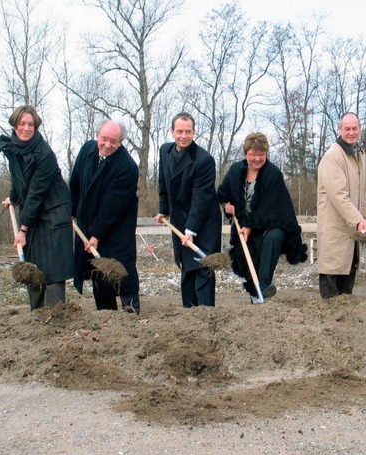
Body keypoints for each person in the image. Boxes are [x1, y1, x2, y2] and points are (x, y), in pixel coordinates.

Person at [0, 105, 74, 310]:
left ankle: (56, 314)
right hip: (34, 211)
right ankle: (37, 315)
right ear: (14, 125)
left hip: (54, 211)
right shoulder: (13, 147)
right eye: (22, 123)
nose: (26, 128)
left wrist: (23, 229)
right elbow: (18, 177)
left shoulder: (45, 154)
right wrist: (12, 198)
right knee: (34, 263)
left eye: (31, 124)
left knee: (53, 266)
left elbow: (35, 193)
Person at [217, 132, 307, 302]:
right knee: (249, 260)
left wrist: (251, 226)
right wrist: (226, 206)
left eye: (261, 154)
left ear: (266, 154)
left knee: (274, 238)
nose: (257, 159)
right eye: (253, 154)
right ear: (246, 154)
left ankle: (263, 286)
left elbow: (272, 206)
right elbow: (222, 194)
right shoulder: (236, 170)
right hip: (242, 225)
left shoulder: (273, 174)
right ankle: (257, 295)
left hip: (270, 225)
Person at [69, 120, 140, 313]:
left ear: (121, 142)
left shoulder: (127, 167)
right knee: (98, 271)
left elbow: (112, 207)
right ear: (97, 136)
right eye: (104, 139)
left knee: (121, 270)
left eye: (114, 141)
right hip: (89, 222)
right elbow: (75, 182)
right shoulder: (86, 150)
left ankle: (130, 309)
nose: (108, 145)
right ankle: (106, 314)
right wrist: (72, 211)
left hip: (117, 228)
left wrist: (96, 234)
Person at [154, 112, 222, 307]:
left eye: (188, 132)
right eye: (179, 132)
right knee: (186, 268)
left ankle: (206, 313)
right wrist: (164, 209)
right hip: (180, 219)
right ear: (172, 132)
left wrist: (191, 230)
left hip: (204, 221)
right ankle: (189, 314)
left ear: (194, 132)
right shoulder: (165, 151)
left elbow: (201, 198)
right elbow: (163, 184)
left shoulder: (204, 160)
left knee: (202, 266)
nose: (184, 136)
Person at [317, 112, 366, 298]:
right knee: (333, 272)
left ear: (360, 129)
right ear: (339, 130)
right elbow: (338, 195)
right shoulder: (333, 157)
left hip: (352, 228)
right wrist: (357, 219)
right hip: (336, 228)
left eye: (354, 128)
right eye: (347, 129)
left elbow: (362, 189)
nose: (351, 132)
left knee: (348, 278)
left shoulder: (359, 155)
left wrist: (365, 213)